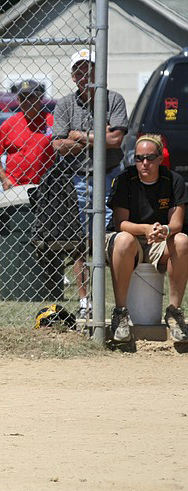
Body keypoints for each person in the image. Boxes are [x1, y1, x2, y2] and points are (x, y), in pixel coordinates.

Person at [52, 48, 129, 319]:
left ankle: (117, 303)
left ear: (99, 72)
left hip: (110, 177)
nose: (84, 74)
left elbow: (115, 141)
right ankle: (86, 303)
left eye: (90, 68)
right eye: (79, 69)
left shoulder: (114, 100)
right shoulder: (64, 104)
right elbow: (59, 145)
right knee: (81, 242)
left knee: (115, 239)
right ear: (73, 75)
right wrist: (96, 136)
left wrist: (78, 135)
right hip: (78, 179)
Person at [105, 135, 188, 345]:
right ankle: (120, 313)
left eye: (150, 158)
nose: (144, 163)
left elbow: (176, 223)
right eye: (139, 158)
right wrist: (146, 228)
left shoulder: (173, 180)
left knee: (182, 241)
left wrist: (164, 230)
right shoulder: (125, 179)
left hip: (159, 239)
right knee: (123, 239)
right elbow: (120, 223)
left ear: (160, 158)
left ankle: (174, 313)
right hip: (130, 238)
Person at [0, 80, 54, 191]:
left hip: (46, 186)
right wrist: (4, 179)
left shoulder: (51, 121)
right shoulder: (10, 124)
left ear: (40, 98)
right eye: (23, 98)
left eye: (31, 97)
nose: (27, 101)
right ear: (18, 100)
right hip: (16, 187)